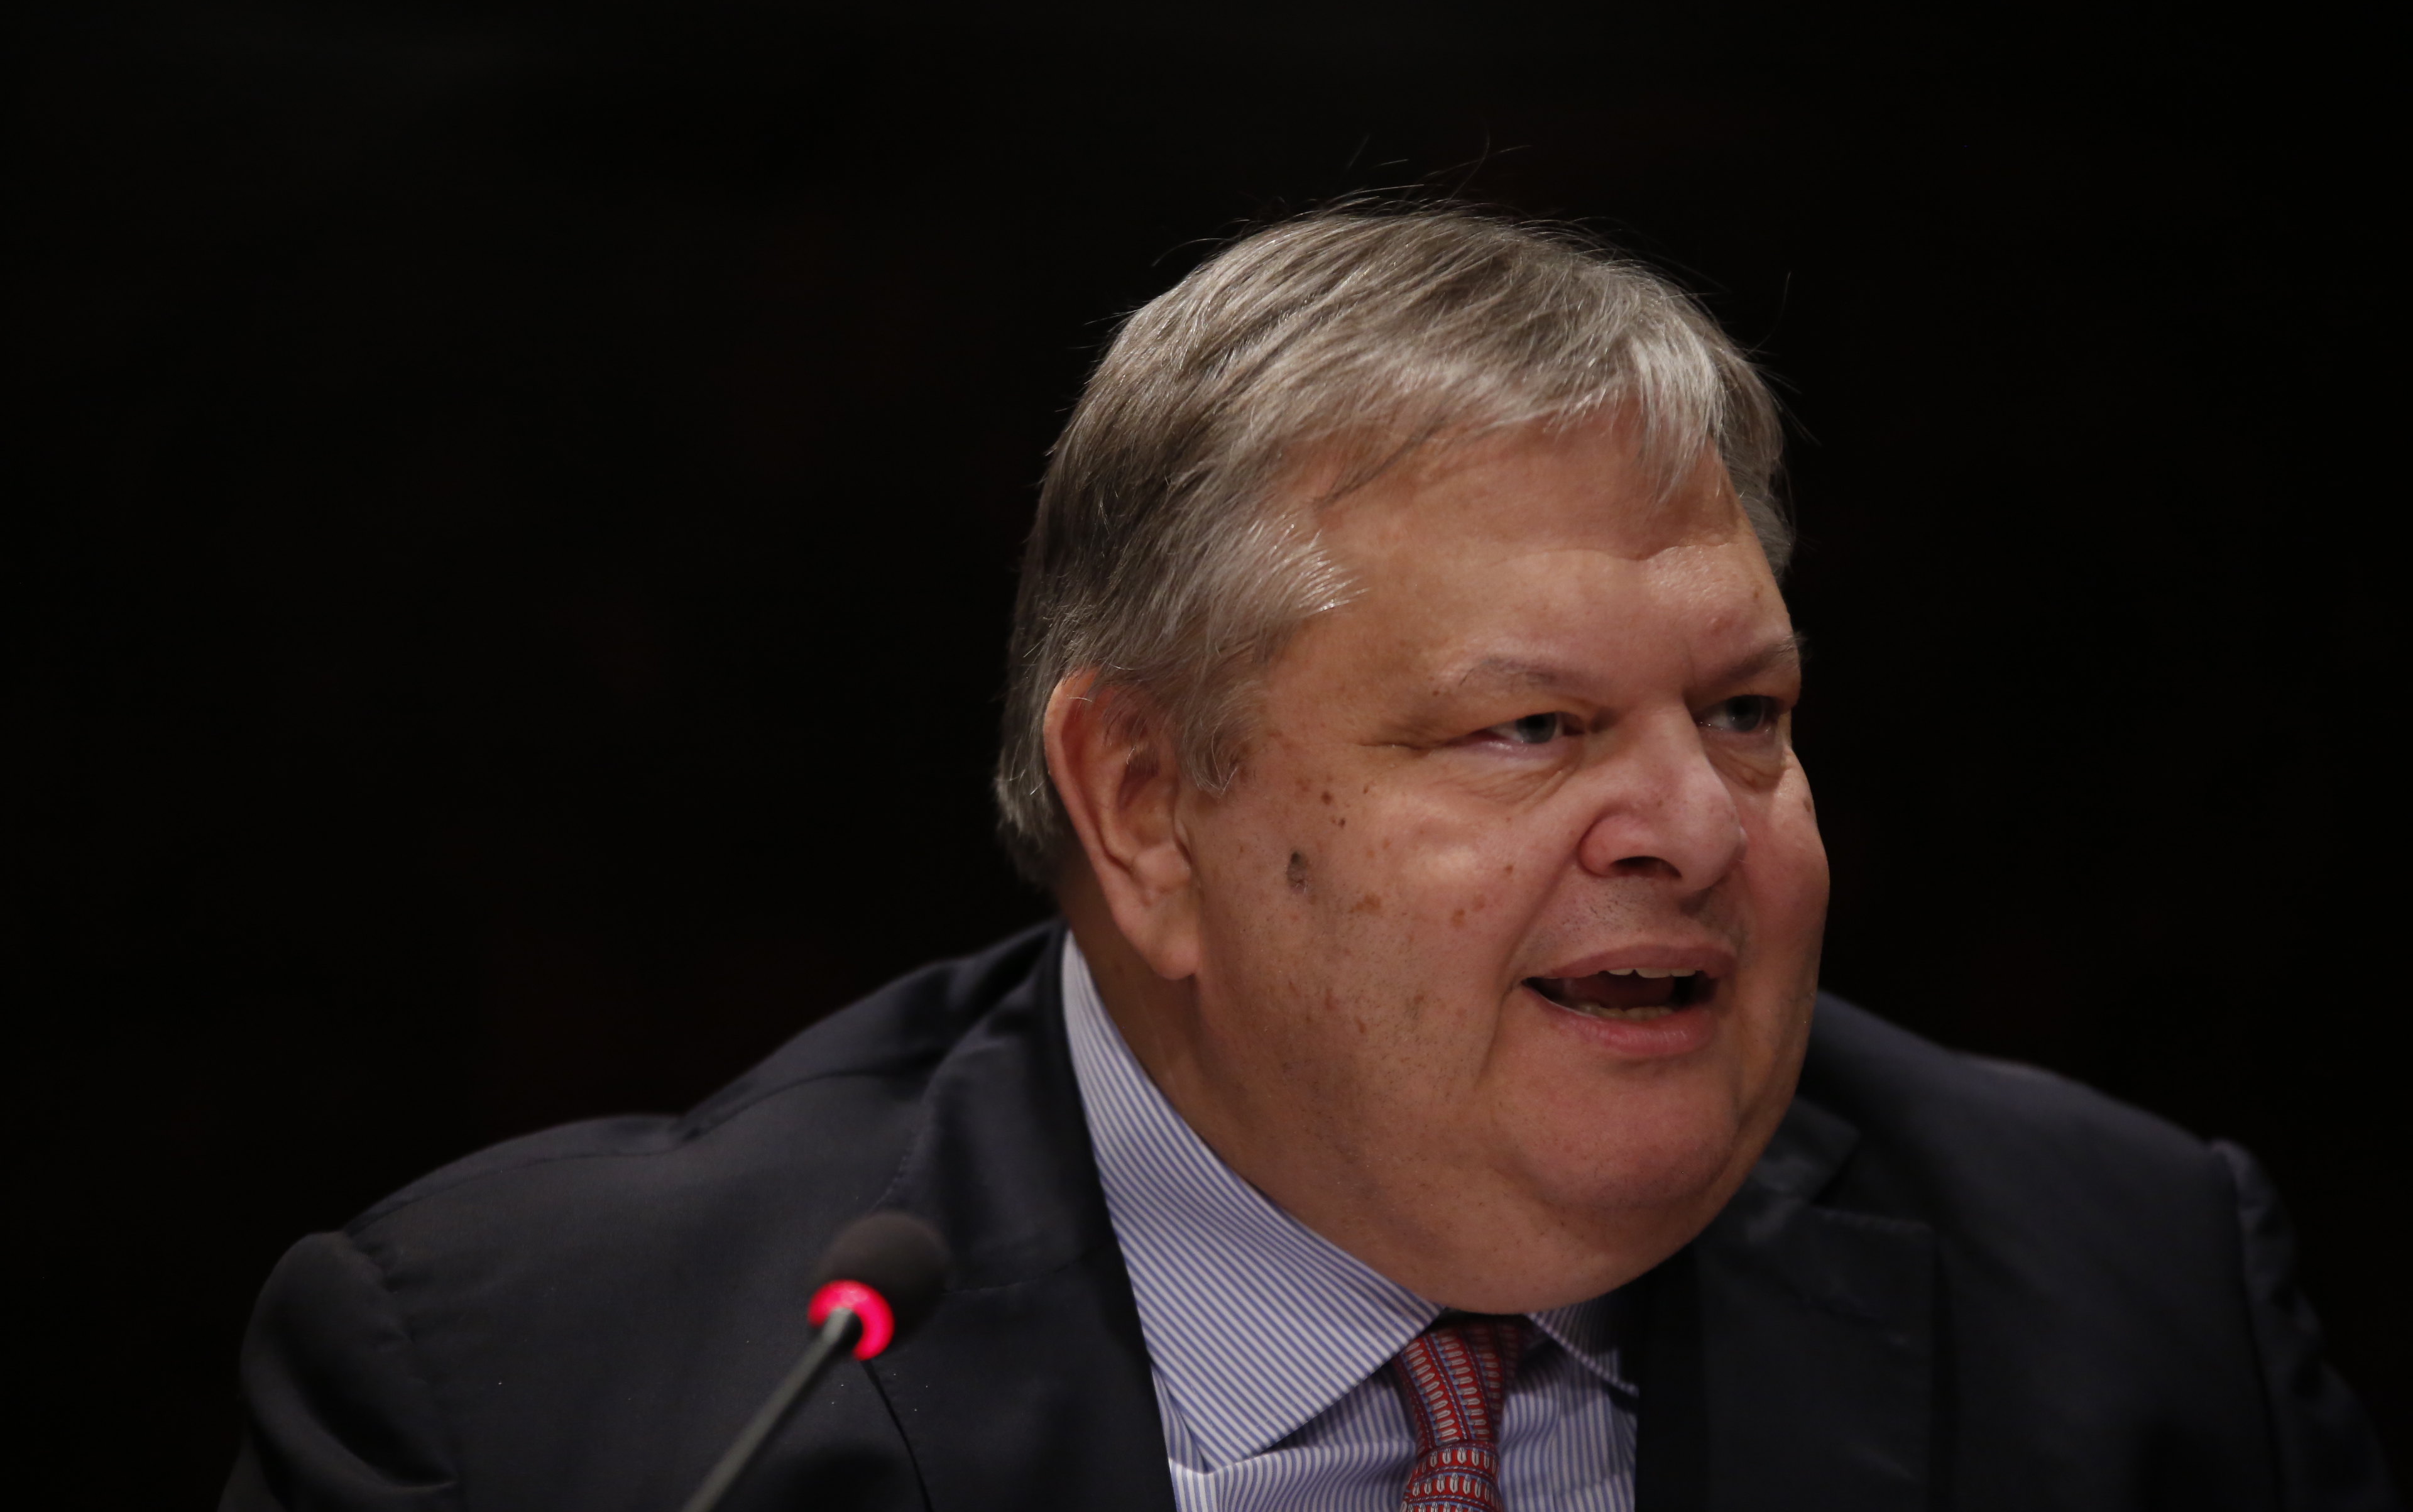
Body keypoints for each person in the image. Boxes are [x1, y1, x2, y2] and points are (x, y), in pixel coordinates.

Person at [222, 208, 2398, 1511]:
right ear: (1146, 809)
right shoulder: (540, 1402)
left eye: (1746, 713)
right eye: (1533, 729)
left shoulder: (2134, 1313)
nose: (1690, 826)